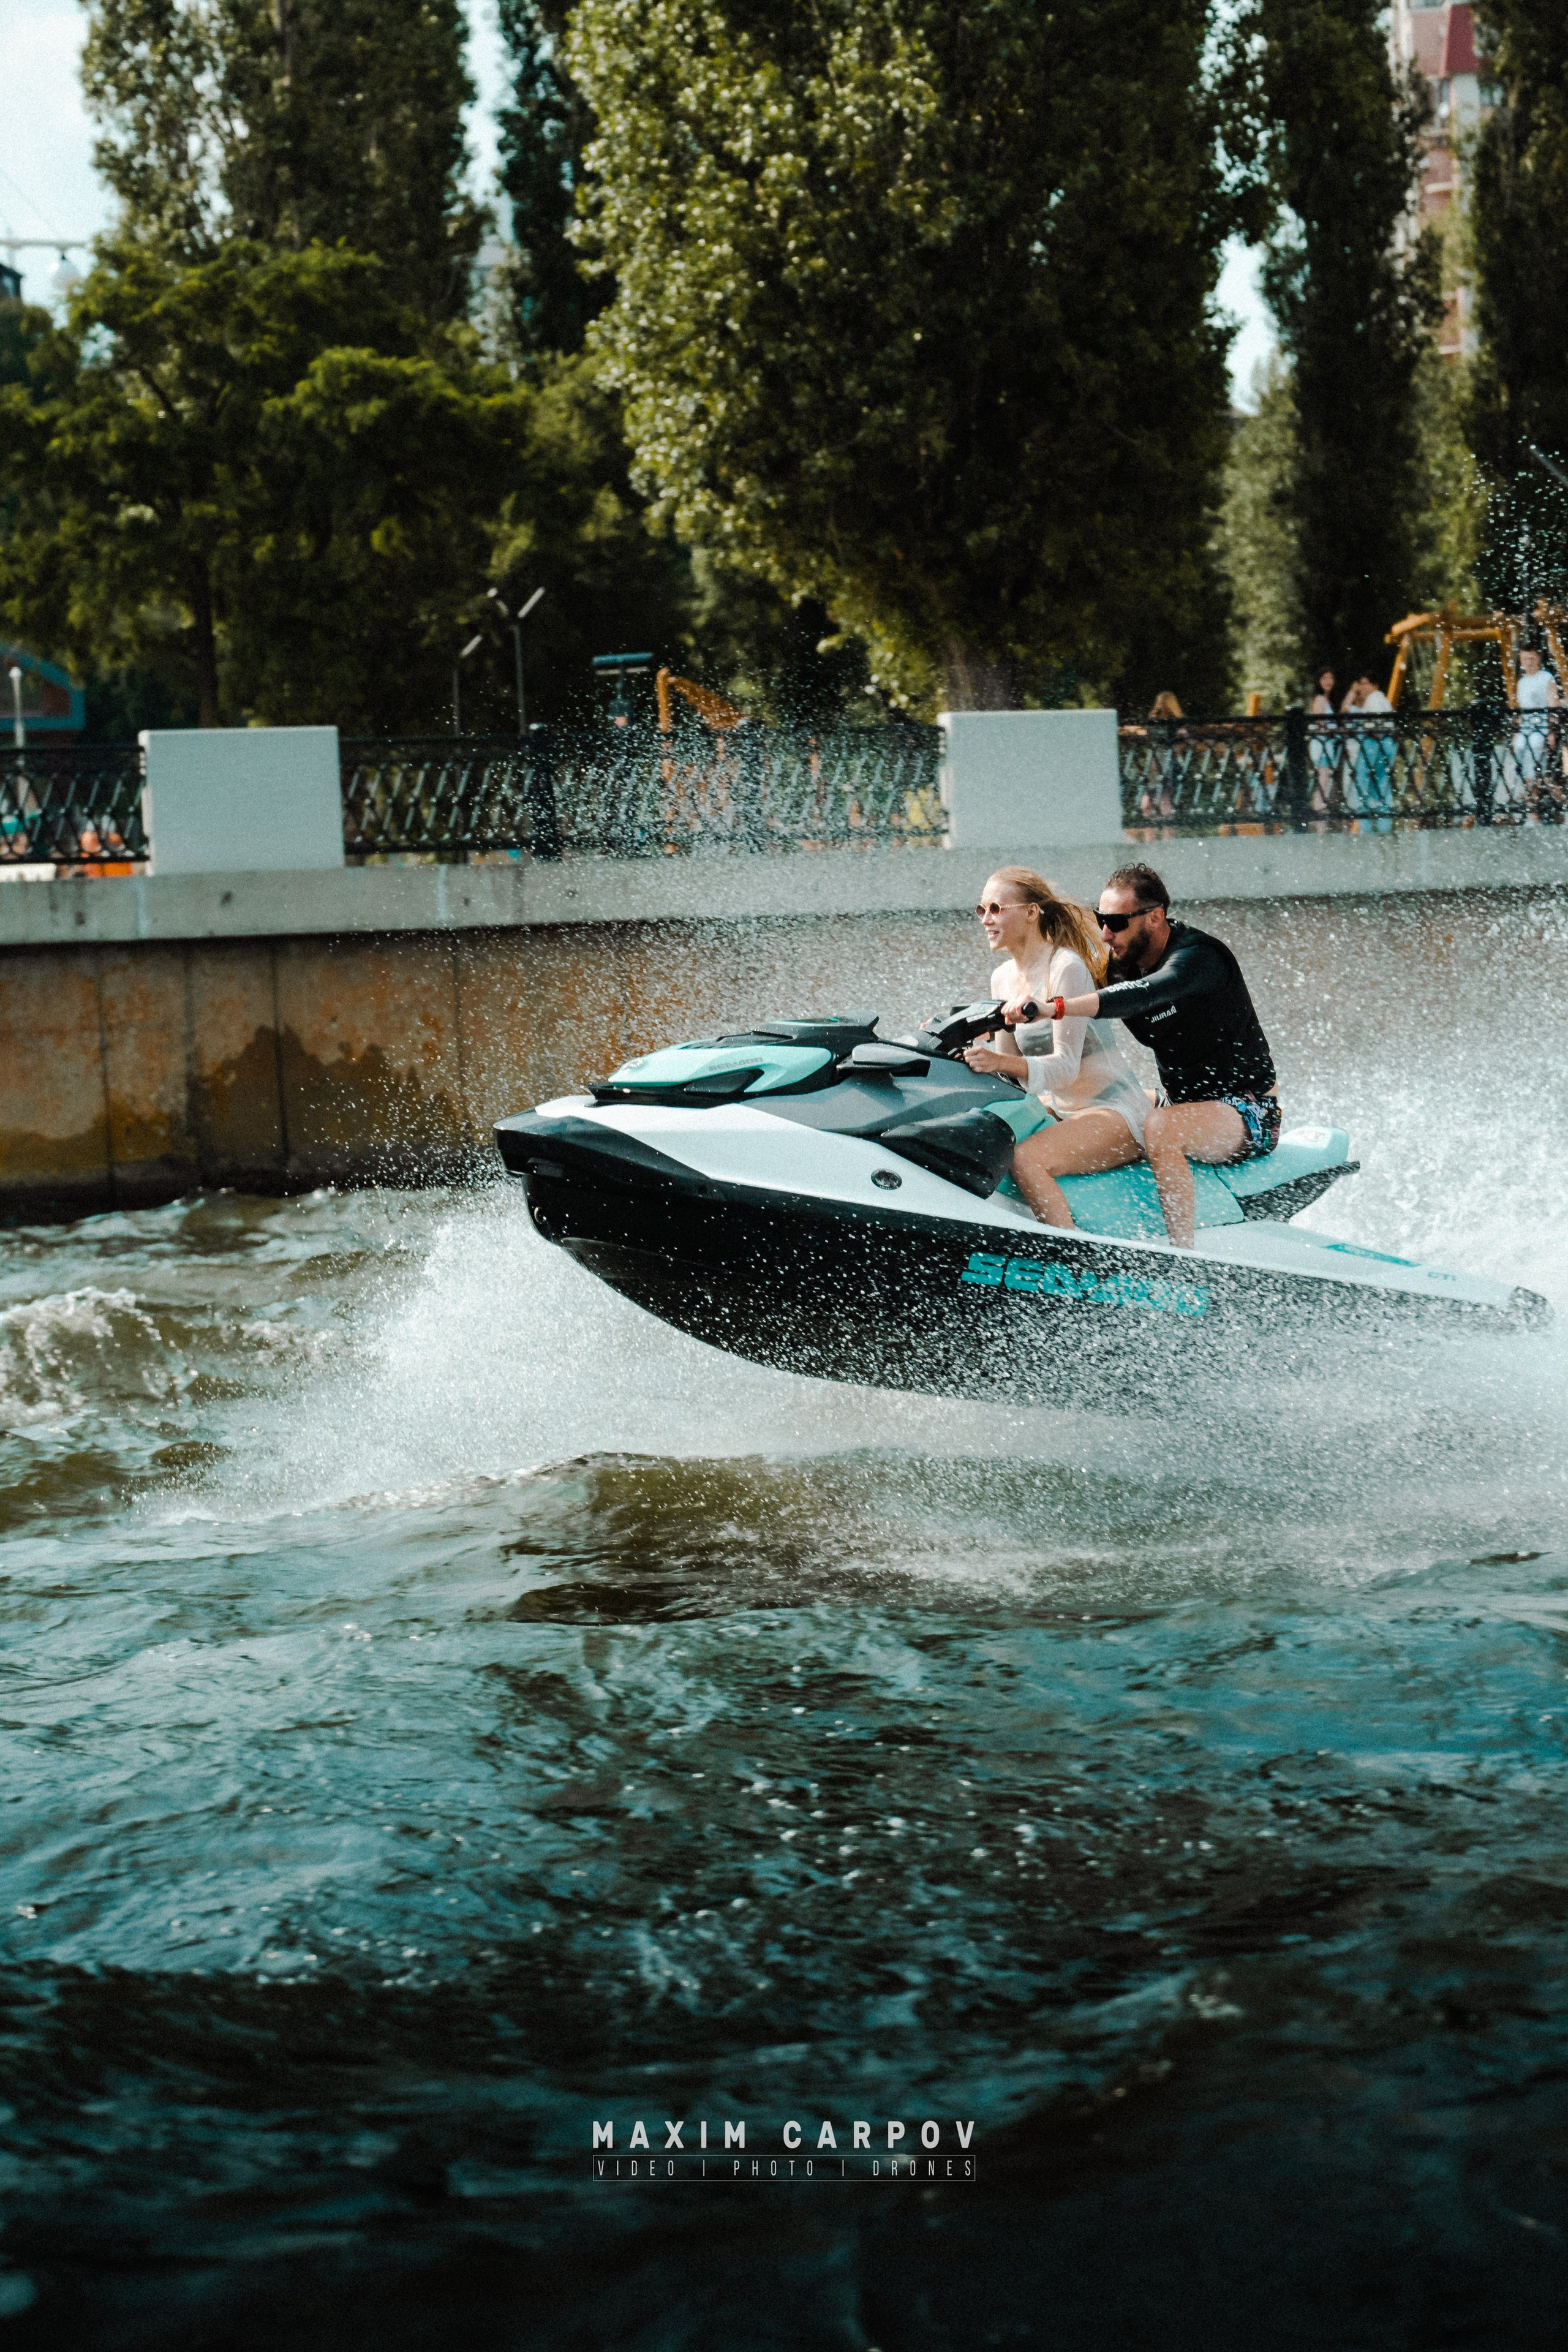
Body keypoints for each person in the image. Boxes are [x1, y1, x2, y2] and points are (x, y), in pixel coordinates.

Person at [1046, 863, 1280, 1249]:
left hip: (1246, 1110)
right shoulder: (1117, 966)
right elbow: (1049, 979)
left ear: (1155, 917)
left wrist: (1055, 1007)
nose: (1105, 934)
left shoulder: (1199, 958)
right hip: (1178, 1102)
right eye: (1100, 919)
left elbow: (1147, 993)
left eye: (1117, 922)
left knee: (1159, 1126)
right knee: (1068, 1104)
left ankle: (1182, 1256)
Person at [957, 867, 1152, 1229]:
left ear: (1032, 912)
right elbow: (1011, 1073)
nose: (986, 919)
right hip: (1063, 1108)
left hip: (1114, 1111)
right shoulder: (1002, 979)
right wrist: (969, 1054)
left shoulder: (1066, 967)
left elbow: (1066, 1067)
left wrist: (997, 1060)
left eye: (996, 908)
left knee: (1025, 1160)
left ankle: (1071, 1258)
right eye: (980, 910)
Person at [1513, 642, 1564, 822]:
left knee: (1539, 772)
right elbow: (1520, 710)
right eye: (1524, 658)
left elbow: (1553, 705)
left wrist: (1552, 731)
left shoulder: (1546, 678)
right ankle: (1533, 809)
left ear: (1538, 659)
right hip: (1526, 730)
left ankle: (1541, 808)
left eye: (1531, 658)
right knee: (1527, 766)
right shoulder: (1522, 682)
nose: (1527, 662)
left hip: (1540, 728)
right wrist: (1516, 731)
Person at [1342, 673, 1395, 832]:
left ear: (1375, 685)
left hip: (1373, 747)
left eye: (1366, 684)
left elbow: (1378, 726)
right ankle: (1384, 828)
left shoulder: (1374, 699)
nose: (1363, 688)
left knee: (1363, 787)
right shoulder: (1383, 699)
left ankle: (1366, 831)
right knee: (1382, 788)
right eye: (1361, 684)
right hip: (1386, 746)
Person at [1308, 666, 1338, 829]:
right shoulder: (1320, 700)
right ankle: (1320, 825)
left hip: (1327, 746)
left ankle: (1321, 824)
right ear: (1319, 681)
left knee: (1324, 783)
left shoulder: (1326, 700)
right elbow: (1321, 725)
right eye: (1324, 678)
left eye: (1331, 678)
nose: (1328, 682)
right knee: (1323, 782)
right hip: (1322, 746)